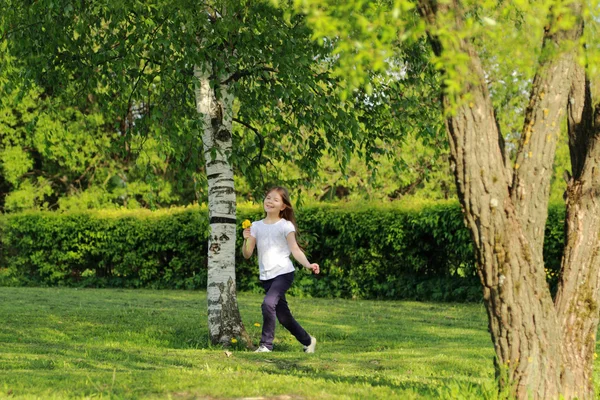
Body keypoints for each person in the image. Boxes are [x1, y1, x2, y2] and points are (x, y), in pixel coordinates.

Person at [242, 186, 320, 353]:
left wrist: (308, 264)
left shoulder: (286, 226)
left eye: (275, 200)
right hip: (266, 277)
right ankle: (308, 341)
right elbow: (247, 254)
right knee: (284, 317)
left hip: (283, 273)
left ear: (283, 206)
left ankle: (266, 345)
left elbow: (295, 250)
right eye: (268, 198)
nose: (270, 201)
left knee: (268, 304)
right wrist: (246, 239)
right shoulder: (255, 226)